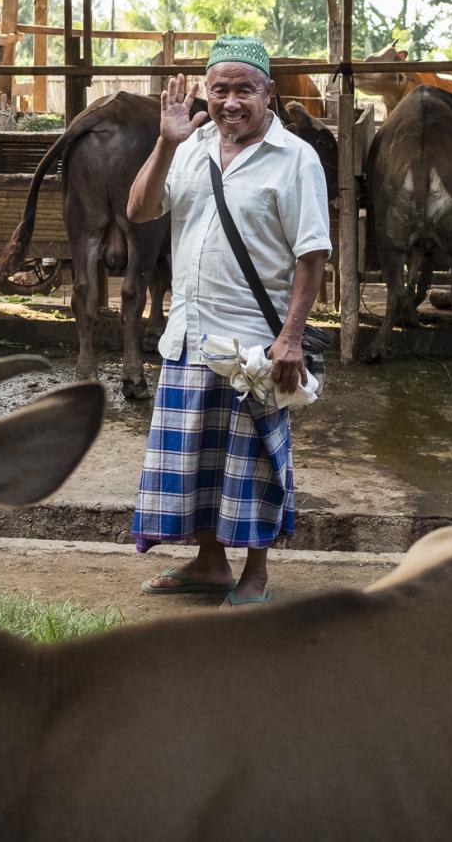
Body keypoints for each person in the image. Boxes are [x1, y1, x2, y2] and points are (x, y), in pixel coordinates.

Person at [126, 34, 332, 605]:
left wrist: (290, 338)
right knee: (197, 460)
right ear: (205, 94)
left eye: (245, 89)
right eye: (220, 89)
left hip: (254, 347)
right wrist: (165, 144)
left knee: (254, 465)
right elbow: (139, 209)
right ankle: (209, 565)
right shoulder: (187, 147)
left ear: (269, 92)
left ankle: (256, 573)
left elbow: (311, 255)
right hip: (190, 335)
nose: (231, 101)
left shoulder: (296, 160)